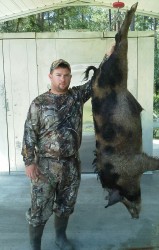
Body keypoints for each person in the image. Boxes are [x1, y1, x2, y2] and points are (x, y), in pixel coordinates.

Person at [21, 47, 114, 250]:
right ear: (51, 76)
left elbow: (96, 81)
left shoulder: (76, 97)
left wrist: (109, 55)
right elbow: (29, 133)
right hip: (45, 166)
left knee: (66, 205)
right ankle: (34, 246)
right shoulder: (39, 103)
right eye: (58, 75)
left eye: (66, 76)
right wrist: (29, 162)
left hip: (71, 164)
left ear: (70, 77)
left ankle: (60, 238)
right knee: (39, 208)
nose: (62, 80)